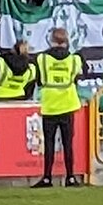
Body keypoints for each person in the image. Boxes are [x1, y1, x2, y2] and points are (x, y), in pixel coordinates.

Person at [33, 26, 84, 188]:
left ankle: (47, 177)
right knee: (68, 144)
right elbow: (77, 78)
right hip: (68, 104)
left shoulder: (42, 59)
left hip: (50, 105)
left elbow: (40, 81)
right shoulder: (74, 59)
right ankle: (70, 177)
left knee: (49, 144)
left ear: (52, 40)